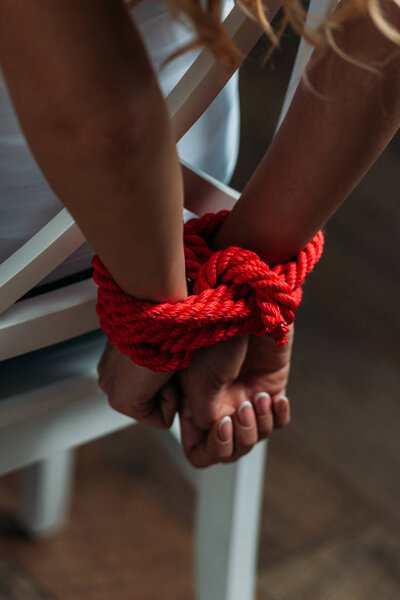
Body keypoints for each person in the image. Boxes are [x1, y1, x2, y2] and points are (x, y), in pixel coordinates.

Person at [0, 0, 399, 469]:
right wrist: (242, 274)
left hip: (41, 262)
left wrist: (162, 325)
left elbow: (100, 127)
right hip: (190, 202)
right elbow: (387, 24)